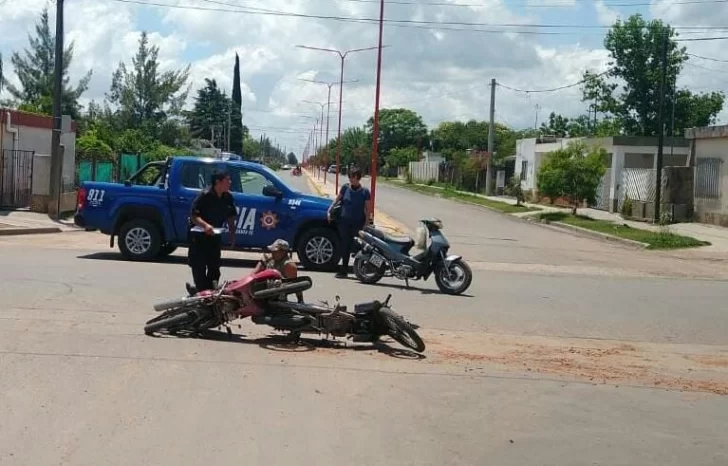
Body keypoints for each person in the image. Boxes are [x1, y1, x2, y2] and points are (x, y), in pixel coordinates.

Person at [186, 170, 237, 295]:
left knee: (215, 268)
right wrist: (206, 226)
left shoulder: (227, 197)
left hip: (214, 237)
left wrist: (232, 233)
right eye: (227, 180)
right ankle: (201, 292)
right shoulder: (205, 195)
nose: (230, 182)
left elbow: (231, 216)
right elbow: (194, 216)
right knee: (199, 267)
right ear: (217, 182)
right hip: (199, 237)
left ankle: (206, 292)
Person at [327, 167, 373, 278]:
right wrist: (329, 210)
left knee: (360, 245)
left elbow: (368, 209)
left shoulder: (365, 192)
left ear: (358, 178)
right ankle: (344, 270)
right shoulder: (345, 188)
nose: (351, 180)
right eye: (350, 177)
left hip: (358, 223)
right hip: (344, 222)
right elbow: (337, 200)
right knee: (345, 245)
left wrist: (367, 223)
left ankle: (363, 268)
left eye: (353, 177)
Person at [252, 239, 303, 303]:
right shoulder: (268, 259)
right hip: (260, 289)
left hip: (276, 296)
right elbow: (254, 273)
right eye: (272, 251)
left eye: (275, 251)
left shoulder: (288, 265)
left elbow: (295, 284)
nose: (272, 253)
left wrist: (300, 299)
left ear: (283, 252)